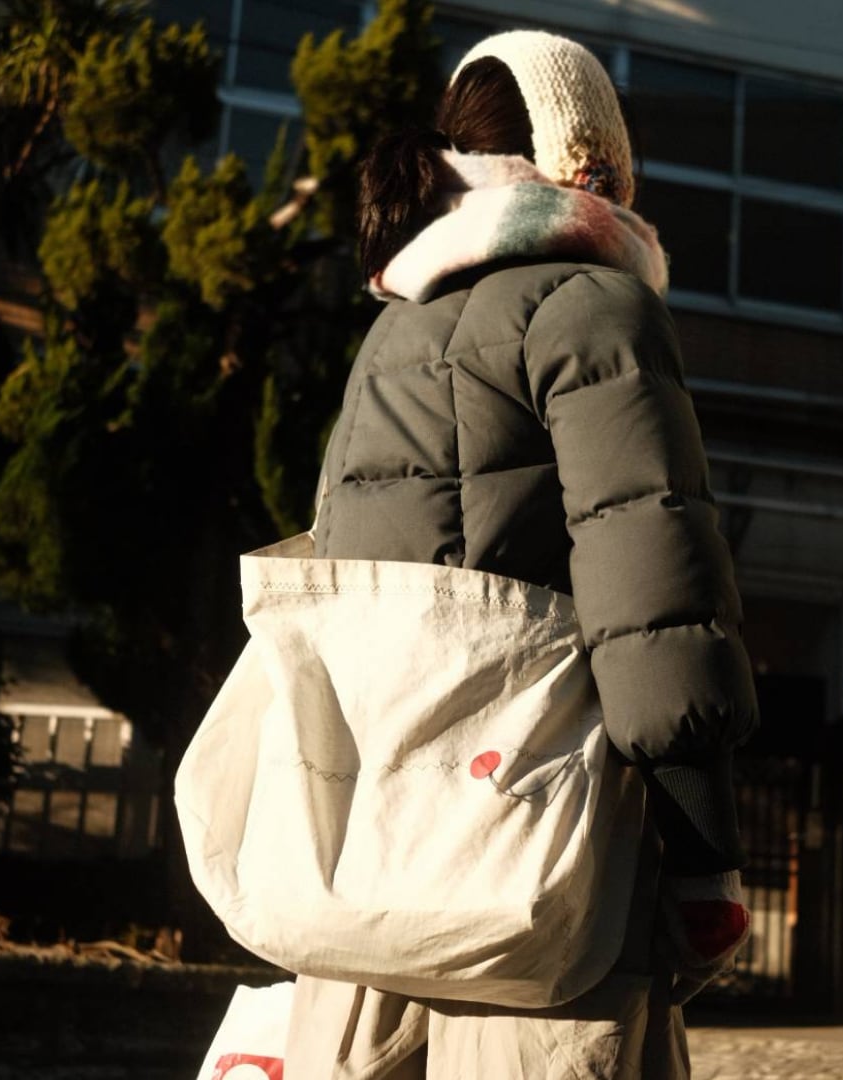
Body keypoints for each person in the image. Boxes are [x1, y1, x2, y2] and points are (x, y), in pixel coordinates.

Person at [285, 29, 759, 1079]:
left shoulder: (392, 333)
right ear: (590, 163)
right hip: (551, 863)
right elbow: (655, 600)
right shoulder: (596, 308)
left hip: (383, 869)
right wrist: (704, 856)